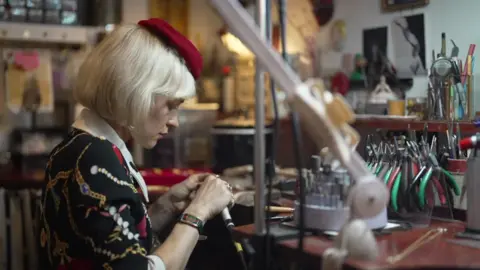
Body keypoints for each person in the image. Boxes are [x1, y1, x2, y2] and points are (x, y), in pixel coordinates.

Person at [37, 18, 234, 270]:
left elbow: (113, 246)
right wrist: (198, 212)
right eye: (171, 106)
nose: (174, 121)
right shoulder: (96, 159)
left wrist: (165, 206)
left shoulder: (83, 147)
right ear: (135, 93)